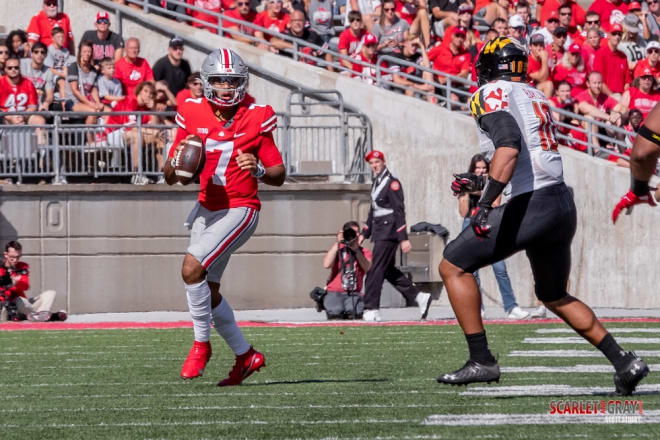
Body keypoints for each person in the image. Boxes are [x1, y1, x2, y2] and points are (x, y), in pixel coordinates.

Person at [436, 37, 649, 397]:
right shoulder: (536, 96)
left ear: (489, 65)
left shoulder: (490, 93)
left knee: (452, 265)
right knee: (552, 293)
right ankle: (624, 361)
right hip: (560, 202)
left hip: (532, 204)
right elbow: (528, 159)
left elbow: (509, 146)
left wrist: (484, 206)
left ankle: (481, 360)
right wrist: (478, 181)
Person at [163, 48, 285, 386]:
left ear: (242, 82)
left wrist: (258, 169)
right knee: (207, 290)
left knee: (190, 268)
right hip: (207, 206)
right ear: (206, 81)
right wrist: (178, 164)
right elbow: (169, 176)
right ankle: (247, 355)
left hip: (241, 207)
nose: (226, 87)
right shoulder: (190, 109)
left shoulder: (257, 114)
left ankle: (201, 345)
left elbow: (278, 173)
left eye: (232, 81)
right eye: (218, 79)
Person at [453, 154, 529, 320]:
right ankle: (477, 308)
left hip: (489, 224)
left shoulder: (493, 183)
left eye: (483, 168)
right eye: (477, 168)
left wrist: (477, 189)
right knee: (472, 272)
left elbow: (495, 204)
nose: (480, 171)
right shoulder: (467, 184)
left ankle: (511, 307)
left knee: (499, 268)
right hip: (470, 225)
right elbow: (463, 213)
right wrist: (464, 193)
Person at [360, 150, 432, 322]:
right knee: (387, 270)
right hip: (379, 231)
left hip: (389, 231)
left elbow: (399, 211)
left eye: (377, 162)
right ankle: (419, 296)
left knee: (375, 270)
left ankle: (371, 308)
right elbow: (373, 211)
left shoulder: (392, 183)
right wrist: (364, 233)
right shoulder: (377, 182)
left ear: (383, 162)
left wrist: (403, 238)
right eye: (371, 163)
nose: (374, 166)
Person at [103, 81, 160, 184]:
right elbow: (132, 128)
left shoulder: (146, 108)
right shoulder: (130, 101)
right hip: (114, 132)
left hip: (130, 134)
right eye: (145, 91)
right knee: (137, 136)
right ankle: (137, 175)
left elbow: (154, 127)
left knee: (160, 139)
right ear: (139, 91)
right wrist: (153, 132)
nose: (148, 95)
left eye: (151, 93)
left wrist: (153, 110)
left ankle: (163, 176)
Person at [0, 241, 66, 322]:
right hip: (12, 304)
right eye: (12, 257)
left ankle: (41, 314)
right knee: (18, 300)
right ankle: (50, 316)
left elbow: (25, 286)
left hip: (25, 304)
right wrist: (11, 284)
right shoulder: (1, 269)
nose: (15, 260)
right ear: (6, 254)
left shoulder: (22, 267)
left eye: (18, 257)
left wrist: (15, 283)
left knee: (51, 293)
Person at [319, 221, 373, 319]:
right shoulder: (338, 249)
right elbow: (326, 264)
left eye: (357, 232)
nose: (354, 235)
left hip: (354, 293)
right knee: (335, 314)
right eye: (351, 232)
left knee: (355, 314)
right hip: (335, 292)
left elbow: (368, 268)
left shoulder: (364, 252)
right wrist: (337, 243)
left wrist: (356, 250)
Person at [0, 56, 45, 127]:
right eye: (10, 68)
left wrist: (22, 116)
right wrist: (10, 117)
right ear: (5, 69)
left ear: (19, 68)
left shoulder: (28, 83)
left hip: (24, 115)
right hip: (5, 117)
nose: (13, 70)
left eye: (16, 67)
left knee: (39, 120)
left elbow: (33, 106)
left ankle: (40, 138)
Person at [20, 42, 55, 111]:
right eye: (36, 52)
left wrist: (46, 103)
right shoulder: (22, 64)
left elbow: (50, 95)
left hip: (36, 103)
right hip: (20, 100)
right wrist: (35, 91)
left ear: (46, 55)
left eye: (42, 52)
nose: (39, 55)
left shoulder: (48, 71)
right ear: (32, 54)